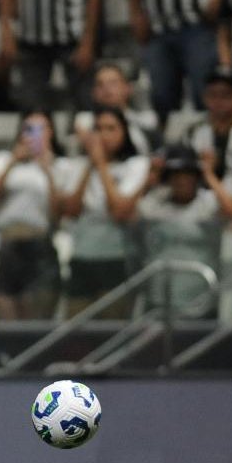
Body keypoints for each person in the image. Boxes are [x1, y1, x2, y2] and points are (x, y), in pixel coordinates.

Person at [61, 106, 152, 319]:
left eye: (111, 128)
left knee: (111, 327)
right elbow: (71, 211)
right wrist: (89, 166)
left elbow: (119, 211)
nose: (103, 135)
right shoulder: (80, 166)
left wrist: (101, 165)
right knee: (76, 332)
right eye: (99, 129)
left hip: (117, 259)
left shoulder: (136, 165)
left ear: (124, 132)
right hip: (82, 256)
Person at [0, 110, 72, 320]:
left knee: (36, 315)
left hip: (40, 242)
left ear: (51, 133)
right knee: (6, 312)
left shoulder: (61, 165)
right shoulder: (3, 159)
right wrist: (13, 161)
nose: (35, 135)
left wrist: (48, 171)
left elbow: (58, 213)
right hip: (7, 242)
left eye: (41, 129)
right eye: (29, 129)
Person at [136, 144, 232, 311]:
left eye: (188, 173)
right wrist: (149, 178)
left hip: (201, 296)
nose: (182, 180)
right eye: (175, 174)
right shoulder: (156, 202)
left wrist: (209, 174)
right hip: (161, 294)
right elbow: (125, 213)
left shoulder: (208, 202)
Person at [125, 0, 224, 124]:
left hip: (196, 25)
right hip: (157, 28)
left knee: (203, 89)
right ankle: (165, 139)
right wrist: (135, 12)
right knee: (161, 94)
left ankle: (206, 135)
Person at [0, 0, 102, 112]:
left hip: (72, 38)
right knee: (31, 105)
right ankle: (35, 132)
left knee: (85, 102)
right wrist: (6, 32)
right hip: (30, 39)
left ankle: (86, 130)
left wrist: (88, 41)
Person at [182, 66, 232, 193]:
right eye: (213, 95)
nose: (218, 101)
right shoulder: (193, 132)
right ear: (205, 98)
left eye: (225, 95)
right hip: (201, 197)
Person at [73, 63, 161, 156]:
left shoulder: (146, 121)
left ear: (127, 88)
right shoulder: (83, 121)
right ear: (94, 93)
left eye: (113, 83)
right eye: (100, 84)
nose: (106, 89)